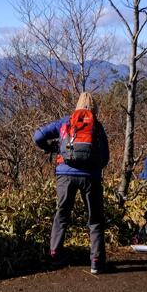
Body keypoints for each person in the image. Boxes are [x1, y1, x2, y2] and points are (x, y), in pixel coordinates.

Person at [32, 92, 109, 274]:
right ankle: (96, 261)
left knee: (62, 214)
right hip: (91, 177)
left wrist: (52, 147)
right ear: (95, 108)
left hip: (65, 175)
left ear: (77, 105)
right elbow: (105, 157)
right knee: (95, 219)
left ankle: (55, 254)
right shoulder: (97, 126)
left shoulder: (65, 122)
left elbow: (38, 136)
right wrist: (94, 167)